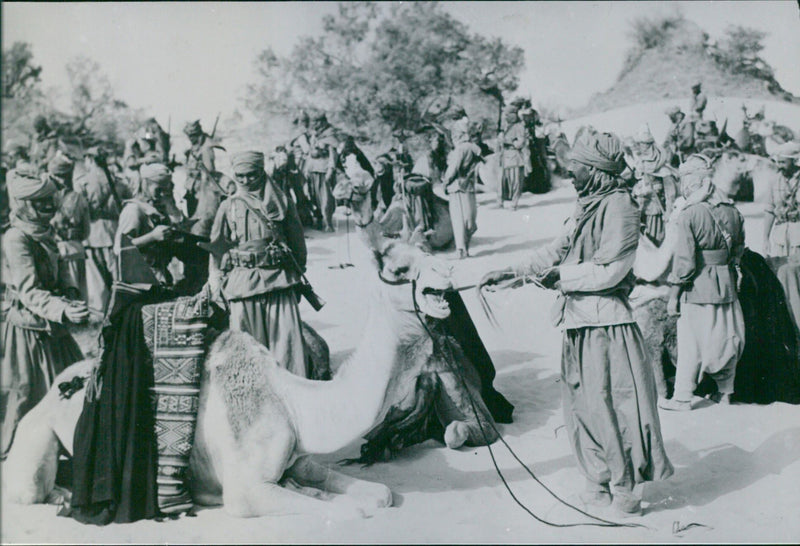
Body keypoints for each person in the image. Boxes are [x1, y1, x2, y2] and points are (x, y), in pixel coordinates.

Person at [479, 130, 673, 515]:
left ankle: (625, 488)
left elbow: (611, 271)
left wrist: (560, 278)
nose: (570, 175)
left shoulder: (621, 208)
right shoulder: (588, 204)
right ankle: (599, 479)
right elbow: (558, 249)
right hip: (577, 324)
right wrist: (511, 270)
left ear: (597, 170)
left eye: (577, 169)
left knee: (615, 407)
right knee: (583, 406)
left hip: (608, 327)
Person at [1, 165, 88, 458]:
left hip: (54, 329)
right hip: (29, 331)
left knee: (70, 392)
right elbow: (29, 291)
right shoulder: (16, 239)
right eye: (42, 204)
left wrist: (72, 295)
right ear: (25, 204)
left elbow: (61, 270)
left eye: (51, 202)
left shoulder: (44, 231)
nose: (50, 208)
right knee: (27, 396)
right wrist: (63, 309)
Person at [208, 151, 309, 376]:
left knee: (287, 349)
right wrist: (217, 280)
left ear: (262, 172)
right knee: (246, 349)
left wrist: (297, 274)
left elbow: (297, 242)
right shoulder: (228, 206)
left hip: (279, 282)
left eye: (251, 175)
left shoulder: (281, 203)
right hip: (243, 285)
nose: (245, 181)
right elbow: (217, 247)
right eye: (240, 176)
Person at [659, 154, 746, 410]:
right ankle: (725, 393)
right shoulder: (732, 210)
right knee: (727, 338)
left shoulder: (690, 214)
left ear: (692, 182)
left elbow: (685, 264)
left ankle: (682, 397)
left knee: (691, 343)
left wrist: (673, 295)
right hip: (727, 285)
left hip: (698, 287)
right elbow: (739, 249)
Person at [114, 163, 183, 286]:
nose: (162, 194)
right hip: (141, 279)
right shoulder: (133, 210)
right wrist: (152, 236)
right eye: (158, 190)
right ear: (145, 184)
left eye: (165, 190)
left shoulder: (157, 209)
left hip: (160, 276)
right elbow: (120, 248)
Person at [75, 146, 124, 313]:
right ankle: (120, 308)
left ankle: (103, 312)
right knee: (117, 276)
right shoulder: (117, 181)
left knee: (98, 280)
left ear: (90, 159)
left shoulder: (83, 182)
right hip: (115, 232)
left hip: (92, 233)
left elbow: (79, 209)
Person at [47, 153, 91, 306]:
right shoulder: (78, 198)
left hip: (56, 249)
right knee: (77, 290)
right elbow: (86, 231)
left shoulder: (48, 197)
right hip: (75, 249)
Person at [630, 125, 679, 246]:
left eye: (642, 143)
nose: (640, 147)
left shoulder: (661, 166)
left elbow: (670, 193)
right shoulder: (639, 161)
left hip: (655, 211)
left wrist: (668, 212)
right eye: (639, 143)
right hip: (641, 208)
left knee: (655, 241)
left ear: (648, 144)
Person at [443, 121, 483, 259]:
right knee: (469, 218)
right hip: (470, 186)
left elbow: (452, 169)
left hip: (457, 187)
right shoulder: (474, 148)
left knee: (458, 218)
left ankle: (460, 249)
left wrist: (445, 182)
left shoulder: (460, 149)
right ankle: (466, 247)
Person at [763, 142, 800, 257]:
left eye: (783, 162)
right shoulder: (774, 180)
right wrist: (765, 238)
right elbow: (770, 210)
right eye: (778, 162)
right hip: (780, 234)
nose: (779, 166)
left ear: (794, 161)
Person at [305, 113, 339, 232]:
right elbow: (310, 153)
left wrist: (331, 169)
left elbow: (333, 155)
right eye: (314, 122)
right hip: (313, 169)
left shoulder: (330, 135)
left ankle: (328, 223)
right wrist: (307, 169)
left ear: (323, 122)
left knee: (326, 198)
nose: (315, 125)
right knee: (313, 196)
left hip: (324, 170)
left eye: (317, 122)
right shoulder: (314, 135)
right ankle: (318, 219)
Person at [182, 119, 216, 218]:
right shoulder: (194, 147)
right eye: (189, 136)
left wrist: (203, 193)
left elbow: (210, 170)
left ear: (198, 134)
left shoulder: (206, 148)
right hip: (191, 189)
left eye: (192, 135)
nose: (190, 138)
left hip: (201, 190)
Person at [498, 107, 529, 210]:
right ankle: (500, 201)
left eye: (508, 115)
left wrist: (509, 141)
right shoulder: (505, 127)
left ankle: (514, 203)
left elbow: (520, 143)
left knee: (515, 181)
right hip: (504, 156)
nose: (506, 117)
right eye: (505, 115)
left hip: (514, 156)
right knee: (502, 181)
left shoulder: (519, 127)